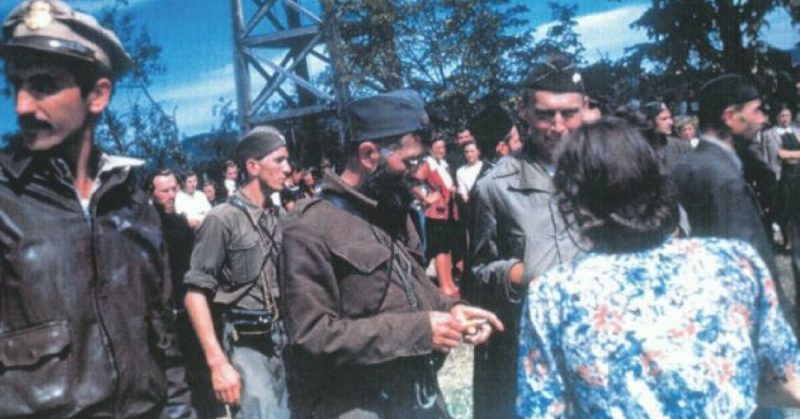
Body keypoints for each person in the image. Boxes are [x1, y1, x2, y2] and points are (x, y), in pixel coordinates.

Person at [517, 117, 800, 418]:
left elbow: (543, 412)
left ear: (573, 201)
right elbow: (789, 382)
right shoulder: (736, 262)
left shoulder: (554, 294)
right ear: (654, 179)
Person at [0, 1, 193, 417]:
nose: (21, 106)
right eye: (14, 85)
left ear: (98, 94)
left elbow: (165, 342)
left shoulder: (133, 203)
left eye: (43, 85)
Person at [280, 90, 502, 418]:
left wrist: (454, 310)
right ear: (370, 154)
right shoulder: (309, 227)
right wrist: (418, 332)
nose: (419, 171)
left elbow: (417, 292)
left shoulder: (394, 208)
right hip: (360, 406)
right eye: (411, 161)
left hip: (419, 397)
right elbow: (310, 336)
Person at [469, 54, 587, 419]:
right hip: (536, 352)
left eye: (569, 113)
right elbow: (478, 272)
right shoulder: (495, 187)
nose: (557, 126)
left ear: (585, 109)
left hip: (602, 343)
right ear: (524, 112)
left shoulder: (608, 168)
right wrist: (525, 273)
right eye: (545, 114)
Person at [184, 126, 292, 418]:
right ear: (253, 166)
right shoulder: (222, 220)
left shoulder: (280, 217)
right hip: (248, 345)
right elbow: (195, 295)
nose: (288, 168)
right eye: (279, 160)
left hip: (287, 340)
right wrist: (217, 363)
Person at [672, 74, 779, 278]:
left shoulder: (691, 164)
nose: (763, 119)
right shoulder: (723, 178)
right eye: (756, 111)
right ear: (729, 116)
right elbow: (744, 259)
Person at [420, 135, 461, 297]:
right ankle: (444, 286)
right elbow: (411, 181)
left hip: (448, 211)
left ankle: (449, 282)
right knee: (439, 248)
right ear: (430, 149)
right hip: (436, 213)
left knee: (447, 247)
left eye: (442, 147)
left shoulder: (444, 165)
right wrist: (426, 198)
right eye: (437, 147)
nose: (440, 150)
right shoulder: (427, 164)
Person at [640, 101, 691, 172]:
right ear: (651, 121)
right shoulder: (640, 149)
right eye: (664, 119)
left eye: (670, 118)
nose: (670, 122)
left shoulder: (682, 146)